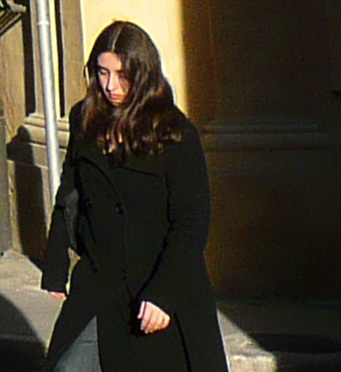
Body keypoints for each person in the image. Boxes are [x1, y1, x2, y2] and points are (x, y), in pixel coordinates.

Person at [38, 20, 225, 371]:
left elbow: (191, 222)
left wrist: (163, 294)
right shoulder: (86, 119)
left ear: (143, 73)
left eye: (122, 75)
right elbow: (71, 191)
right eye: (102, 73)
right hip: (102, 284)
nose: (111, 86)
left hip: (158, 285)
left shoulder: (175, 134)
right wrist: (56, 263)